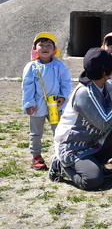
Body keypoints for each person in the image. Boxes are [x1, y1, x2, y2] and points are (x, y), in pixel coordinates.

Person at [50, 48, 112, 190]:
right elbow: (104, 123)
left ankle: (95, 163)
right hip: (72, 146)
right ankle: (60, 165)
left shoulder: (107, 85)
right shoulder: (85, 93)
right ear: (105, 71)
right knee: (93, 181)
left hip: (92, 141)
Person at [22, 32, 71, 170]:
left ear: (54, 49)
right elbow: (27, 86)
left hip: (55, 105)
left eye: (49, 45)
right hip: (37, 105)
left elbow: (65, 82)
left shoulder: (59, 65)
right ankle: (36, 156)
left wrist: (63, 96)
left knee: (59, 130)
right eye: (41, 45)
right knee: (36, 132)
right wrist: (29, 104)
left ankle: (60, 154)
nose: (45, 48)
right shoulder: (31, 67)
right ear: (35, 48)